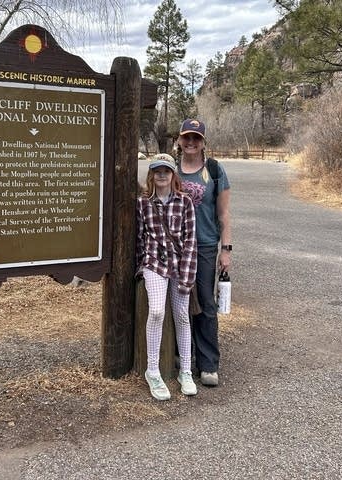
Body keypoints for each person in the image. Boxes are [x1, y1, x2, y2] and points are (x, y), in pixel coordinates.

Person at [136, 154, 198, 400]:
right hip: (154, 264)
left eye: (167, 171)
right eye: (157, 171)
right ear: (151, 175)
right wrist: (141, 266)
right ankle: (152, 370)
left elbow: (190, 240)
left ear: (174, 175)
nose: (162, 175)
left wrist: (187, 276)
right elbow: (140, 238)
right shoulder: (143, 203)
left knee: (182, 316)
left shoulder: (184, 203)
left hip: (179, 265)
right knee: (157, 311)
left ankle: (185, 370)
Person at [176, 119, 231, 387]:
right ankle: (179, 356)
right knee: (177, 301)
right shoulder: (171, 170)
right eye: (186, 137)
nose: (191, 143)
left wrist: (226, 249)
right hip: (174, 246)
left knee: (206, 303)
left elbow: (224, 213)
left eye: (196, 138)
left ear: (203, 142)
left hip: (206, 245)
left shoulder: (214, 170)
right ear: (179, 140)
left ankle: (208, 363)